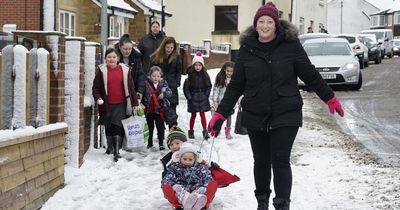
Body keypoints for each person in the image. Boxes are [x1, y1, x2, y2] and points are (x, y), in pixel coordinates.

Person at [207, 2, 344, 210]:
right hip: (255, 112)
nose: (264, 26)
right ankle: (262, 203)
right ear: (255, 24)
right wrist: (220, 115)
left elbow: (310, 73)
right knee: (260, 161)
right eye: (261, 21)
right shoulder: (246, 49)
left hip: (286, 112)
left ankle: (282, 205)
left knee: (280, 160)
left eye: (269, 21)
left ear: (276, 24)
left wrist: (329, 97)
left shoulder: (291, 45)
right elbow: (236, 86)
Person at [92, 48, 139, 162]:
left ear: (118, 58)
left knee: (117, 125)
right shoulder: (102, 71)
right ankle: (110, 147)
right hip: (106, 104)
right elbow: (96, 88)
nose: (111, 59)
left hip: (121, 103)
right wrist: (98, 98)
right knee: (108, 125)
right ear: (105, 59)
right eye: (109, 57)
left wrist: (135, 103)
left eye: (114, 57)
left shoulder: (124, 70)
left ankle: (117, 150)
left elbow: (131, 88)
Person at [161, 142, 214, 210]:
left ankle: (199, 204)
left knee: (199, 194)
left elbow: (207, 177)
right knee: (182, 195)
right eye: (185, 159)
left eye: (190, 159)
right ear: (180, 158)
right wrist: (173, 185)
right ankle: (187, 203)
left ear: (194, 159)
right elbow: (167, 178)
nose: (187, 161)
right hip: (181, 189)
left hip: (196, 189)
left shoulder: (200, 167)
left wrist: (204, 187)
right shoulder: (174, 167)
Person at [150, 36, 181, 127]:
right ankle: (161, 133)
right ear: (163, 46)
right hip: (159, 86)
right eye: (167, 47)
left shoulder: (177, 57)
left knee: (172, 113)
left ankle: (173, 133)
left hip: (172, 87)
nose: (169, 49)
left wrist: (177, 82)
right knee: (160, 111)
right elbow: (152, 70)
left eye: (171, 47)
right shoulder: (157, 56)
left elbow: (179, 71)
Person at [142, 66, 172, 150]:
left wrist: (164, 94)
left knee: (160, 127)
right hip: (149, 110)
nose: (156, 78)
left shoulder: (163, 83)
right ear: (150, 76)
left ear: (161, 77)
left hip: (159, 110)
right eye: (154, 76)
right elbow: (142, 92)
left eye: (158, 76)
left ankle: (161, 143)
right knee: (150, 127)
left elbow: (170, 92)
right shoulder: (146, 84)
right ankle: (150, 142)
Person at [183, 52, 212, 140]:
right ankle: (191, 131)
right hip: (193, 98)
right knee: (193, 115)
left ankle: (205, 131)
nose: (198, 67)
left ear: (202, 66)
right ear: (193, 65)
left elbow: (209, 86)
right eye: (196, 65)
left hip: (203, 97)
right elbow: (186, 89)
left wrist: (206, 95)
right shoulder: (190, 76)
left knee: (202, 115)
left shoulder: (205, 75)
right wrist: (190, 97)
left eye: (199, 65)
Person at [115, 34, 146, 100]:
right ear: (120, 47)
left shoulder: (136, 58)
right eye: (125, 49)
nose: (127, 51)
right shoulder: (114, 57)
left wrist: (140, 91)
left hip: (133, 91)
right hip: (118, 92)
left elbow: (140, 75)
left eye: (130, 49)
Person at [211, 61, 235, 139]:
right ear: (224, 70)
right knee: (219, 117)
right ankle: (217, 128)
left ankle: (227, 131)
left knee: (229, 116)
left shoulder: (234, 79)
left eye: (231, 71)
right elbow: (216, 90)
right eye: (228, 71)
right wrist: (214, 101)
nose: (229, 73)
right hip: (220, 102)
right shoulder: (220, 78)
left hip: (230, 103)